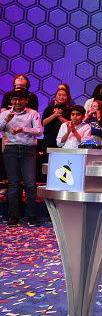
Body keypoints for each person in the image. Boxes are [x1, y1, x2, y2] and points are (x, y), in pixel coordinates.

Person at [0, 90, 43, 226]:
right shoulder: (5, 114)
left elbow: (40, 131)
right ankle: (13, 216)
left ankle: (31, 215)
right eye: (14, 99)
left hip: (28, 150)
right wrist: (6, 121)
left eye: (20, 99)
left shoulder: (33, 113)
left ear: (26, 100)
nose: (17, 102)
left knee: (30, 184)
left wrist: (23, 129)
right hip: (11, 149)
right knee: (13, 184)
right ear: (11, 101)